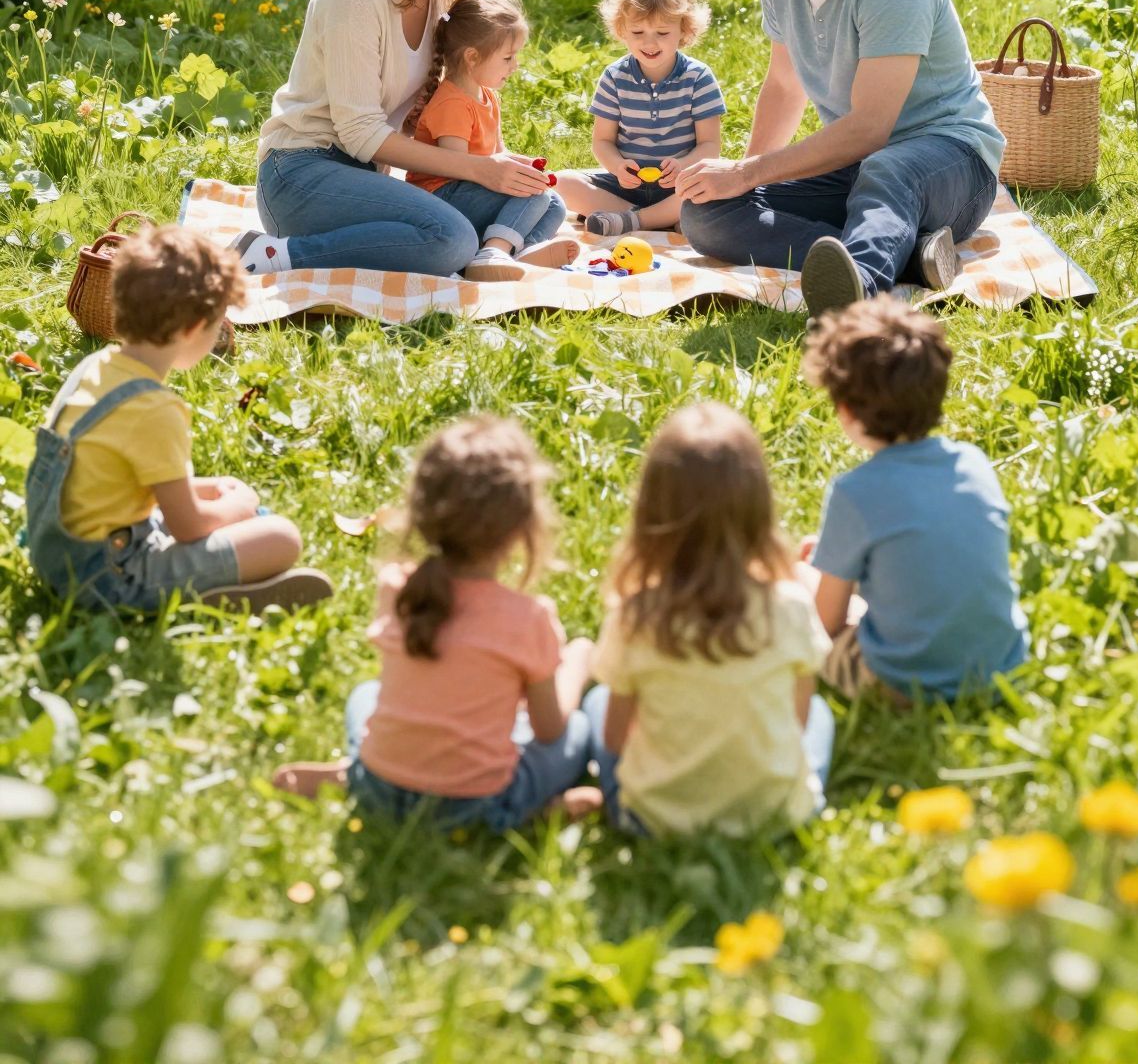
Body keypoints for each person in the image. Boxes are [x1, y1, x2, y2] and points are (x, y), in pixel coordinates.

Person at [676, 0, 1005, 320]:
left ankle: (859, 290)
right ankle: (910, 255)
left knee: (888, 167)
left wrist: (747, 173)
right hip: (860, 165)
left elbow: (871, 128)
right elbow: (784, 85)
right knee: (707, 213)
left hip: (951, 165)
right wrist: (741, 183)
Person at [241, 0, 553, 278]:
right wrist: (480, 170)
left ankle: (492, 257)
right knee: (451, 239)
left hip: (366, 175)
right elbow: (359, 132)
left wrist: (497, 165)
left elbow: (422, 114)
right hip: (302, 174)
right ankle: (270, 255)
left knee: (537, 201)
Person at [272, 417, 594, 827]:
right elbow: (549, 730)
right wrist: (576, 666)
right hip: (475, 806)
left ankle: (355, 775)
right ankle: (530, 814)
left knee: (365, 695)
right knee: (577, 730)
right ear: (521, 528)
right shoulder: (529, 618)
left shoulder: (398, 588)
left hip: (381, 785)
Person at [26, 226, 332, 612]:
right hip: (107, 579)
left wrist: (210, 489)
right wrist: (238, 506)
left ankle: (218, 574)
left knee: (235, 515)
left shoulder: (96, 367)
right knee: (281, 537)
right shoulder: (154, 409)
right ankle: (213, 594)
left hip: (56, 557)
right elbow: (189, 526)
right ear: (192, 329)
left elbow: (128, 481)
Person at [583, 402, 834, 835]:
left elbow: (614, 739)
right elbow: (799, 721)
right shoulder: (790, 605)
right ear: (759, 510)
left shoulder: (636, 616)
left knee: (596, 702)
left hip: (656, 820)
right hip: (774, 814)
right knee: (822, 715)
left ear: (651, 512)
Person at [802, 296, 1030, 700]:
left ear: (846, 410)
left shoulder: (855, 493)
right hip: (999, 667)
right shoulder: (973, 463)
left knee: (794, 582)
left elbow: (826, 623)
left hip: (904, 682)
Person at [407, 0, 575, 282]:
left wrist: (518, 165)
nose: (515, 65)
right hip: (443, 196)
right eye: (508, 57)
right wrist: (514, 179)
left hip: (472, 189)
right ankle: (494, 250)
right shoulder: (452, 103)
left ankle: (519, 254)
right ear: (472, 57)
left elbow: (496, 152)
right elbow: (456, 167)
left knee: (554, 203)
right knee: (534, 194)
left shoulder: (487, 96)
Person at [556, 0, 725, 238]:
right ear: (622, 28)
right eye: (637, 32)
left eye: (662, 33)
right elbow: (602, 141)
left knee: (714, 181)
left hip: (678, 184)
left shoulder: (698, 78)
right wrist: (617, 167)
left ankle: (636, 220)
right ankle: (658, 218)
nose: (649, 43)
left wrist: (683, 165)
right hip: (628, 187)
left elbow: (710, 146)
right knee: (561, 183)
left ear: (684, 29)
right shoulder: (615, 77)